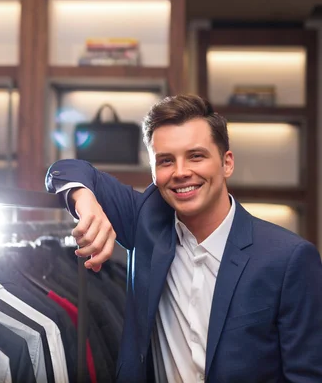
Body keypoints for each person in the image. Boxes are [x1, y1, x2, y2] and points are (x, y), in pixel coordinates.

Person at [44, 94, 322, 382]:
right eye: (165, 161)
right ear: (153, 170)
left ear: (227, 163)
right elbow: (62, 170)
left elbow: (306, 375)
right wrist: (87, 203)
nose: (180, 172)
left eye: (196, 156)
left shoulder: (289, 258)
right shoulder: (145, 222)